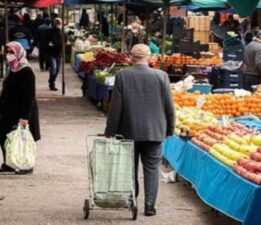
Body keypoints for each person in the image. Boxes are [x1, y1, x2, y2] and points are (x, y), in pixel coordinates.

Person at [105, 44, 175, 216]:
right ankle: (150, 205)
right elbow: (169, 107)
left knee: (130, 167)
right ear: (149, 58)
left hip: (128, 130)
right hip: (154, 131)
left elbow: (116, 107)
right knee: (152, 169)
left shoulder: (122, 76)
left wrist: (110, 129)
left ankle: (132, 200)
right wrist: (170, 128)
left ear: (131, 58)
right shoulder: (162, 76)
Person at [0, 42, 40, 174]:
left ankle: (26, 165)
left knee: (22, 138)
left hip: (21, 112)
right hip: (8, 110)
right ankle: (9, 163)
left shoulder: (26, 71)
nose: (9, 55)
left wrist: (24, 117)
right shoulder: (11, 69)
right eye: (8, 52)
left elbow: (29, 96)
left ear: (19, 53)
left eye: (11, 52)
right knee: (5, 137)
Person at [46, 18, 62, 91]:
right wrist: (49, 43)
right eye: (58, 23)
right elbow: (46, 40)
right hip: (51, 53)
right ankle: (52, 83)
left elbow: (64, 41)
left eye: (59, 23)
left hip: (58, 53)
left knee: (57, 69)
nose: (59, 24)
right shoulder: (50, 31)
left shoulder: (62, 32)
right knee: (54, 69)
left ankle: (51, 81)